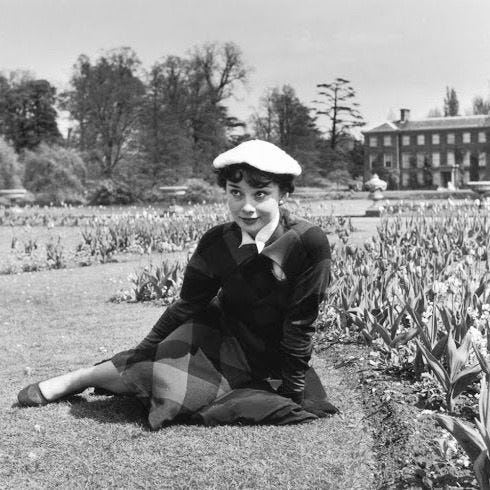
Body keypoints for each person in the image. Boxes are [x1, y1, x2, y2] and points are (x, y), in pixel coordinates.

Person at [17, 140, 336, 429]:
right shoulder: (217, 241)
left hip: (274, 352)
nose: (246, 206)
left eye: (260, 194)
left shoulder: (308, 243)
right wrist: (141, 352)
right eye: (235, 193)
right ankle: (76, 380)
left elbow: (300, 323)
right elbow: (189, 303)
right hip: (219, 336)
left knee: (254, 403)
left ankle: (123, 373)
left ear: (284, 194)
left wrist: (294, 392)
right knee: (155, 375)